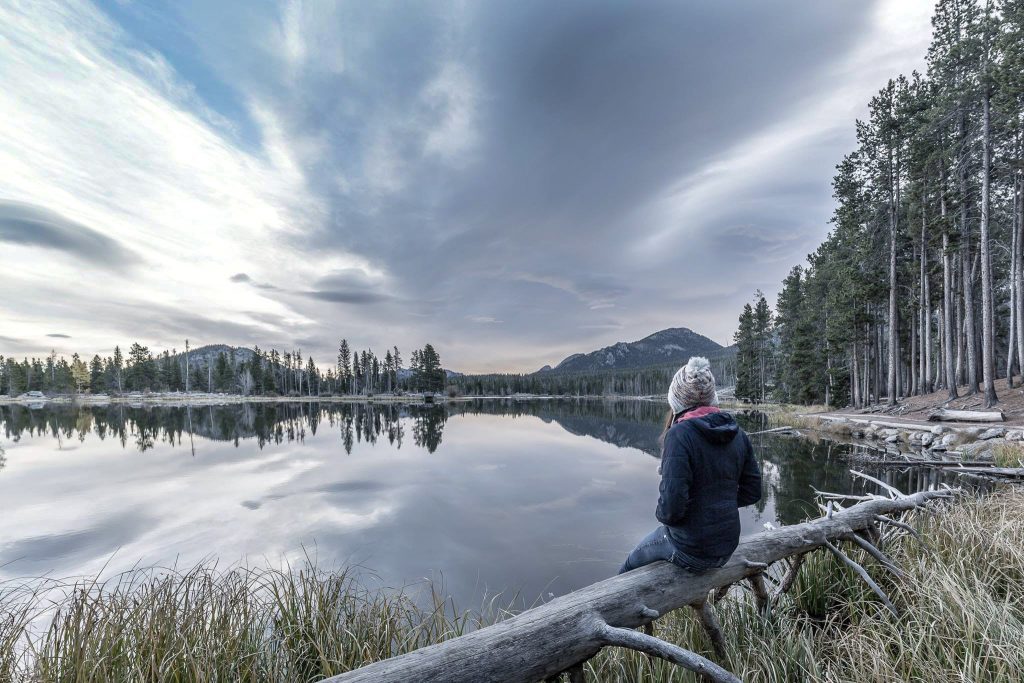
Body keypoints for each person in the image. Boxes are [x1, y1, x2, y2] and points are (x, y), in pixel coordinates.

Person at [619, 356, 762, 574]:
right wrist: (718, 504)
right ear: (711, 398)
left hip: (693, 549)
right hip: (727, 545)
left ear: (676, 401)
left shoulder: (679, 434)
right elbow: (753, 492)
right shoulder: (738, 433)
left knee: (628, 567)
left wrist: (695, 511)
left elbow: (670, 511)